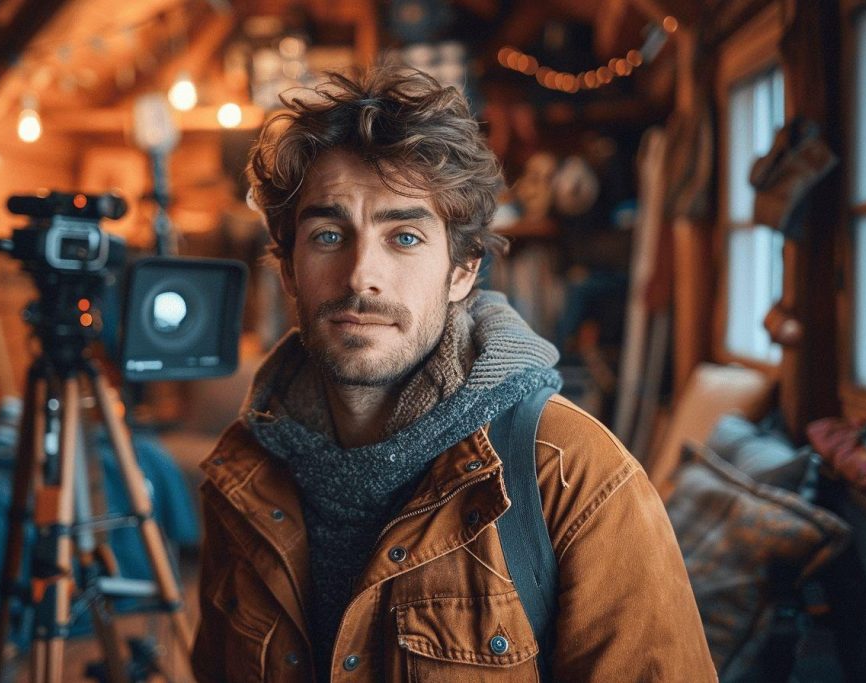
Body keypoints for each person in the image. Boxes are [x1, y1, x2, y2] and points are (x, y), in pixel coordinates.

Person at [190, 67, 714, 682]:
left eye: (405, 237)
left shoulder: (574, 475)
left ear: (463, 271)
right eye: (329, 235)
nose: (362, 276)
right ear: (287, 272)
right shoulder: (245, 471)